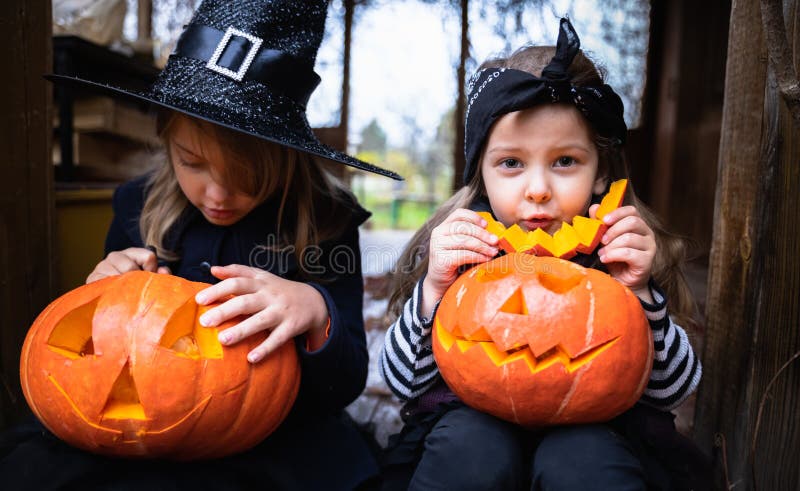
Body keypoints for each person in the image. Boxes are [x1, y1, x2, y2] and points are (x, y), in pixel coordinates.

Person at [0, 1, 401, 489]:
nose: (217, 194)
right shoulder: (136, 207)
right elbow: (99, 344)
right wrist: (105, 290)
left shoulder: (324, 224)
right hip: (137, 423)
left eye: (246, 176)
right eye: (193, 163)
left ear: (289, 156)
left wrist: (316, 313)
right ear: (167, 140)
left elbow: (344, 383)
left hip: (275, 433)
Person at [379, 18, 708, 491]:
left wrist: (639, 293)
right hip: (470, 428)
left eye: (564, 162)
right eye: (511, 163)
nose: (537, 190)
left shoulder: (615, 253)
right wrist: (433, 289)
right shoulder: (464, 250)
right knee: (470, 448)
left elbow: (674, 389)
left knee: (585, 462)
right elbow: (402, 383)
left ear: (599, 172)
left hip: (598, 432)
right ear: (481, 173)